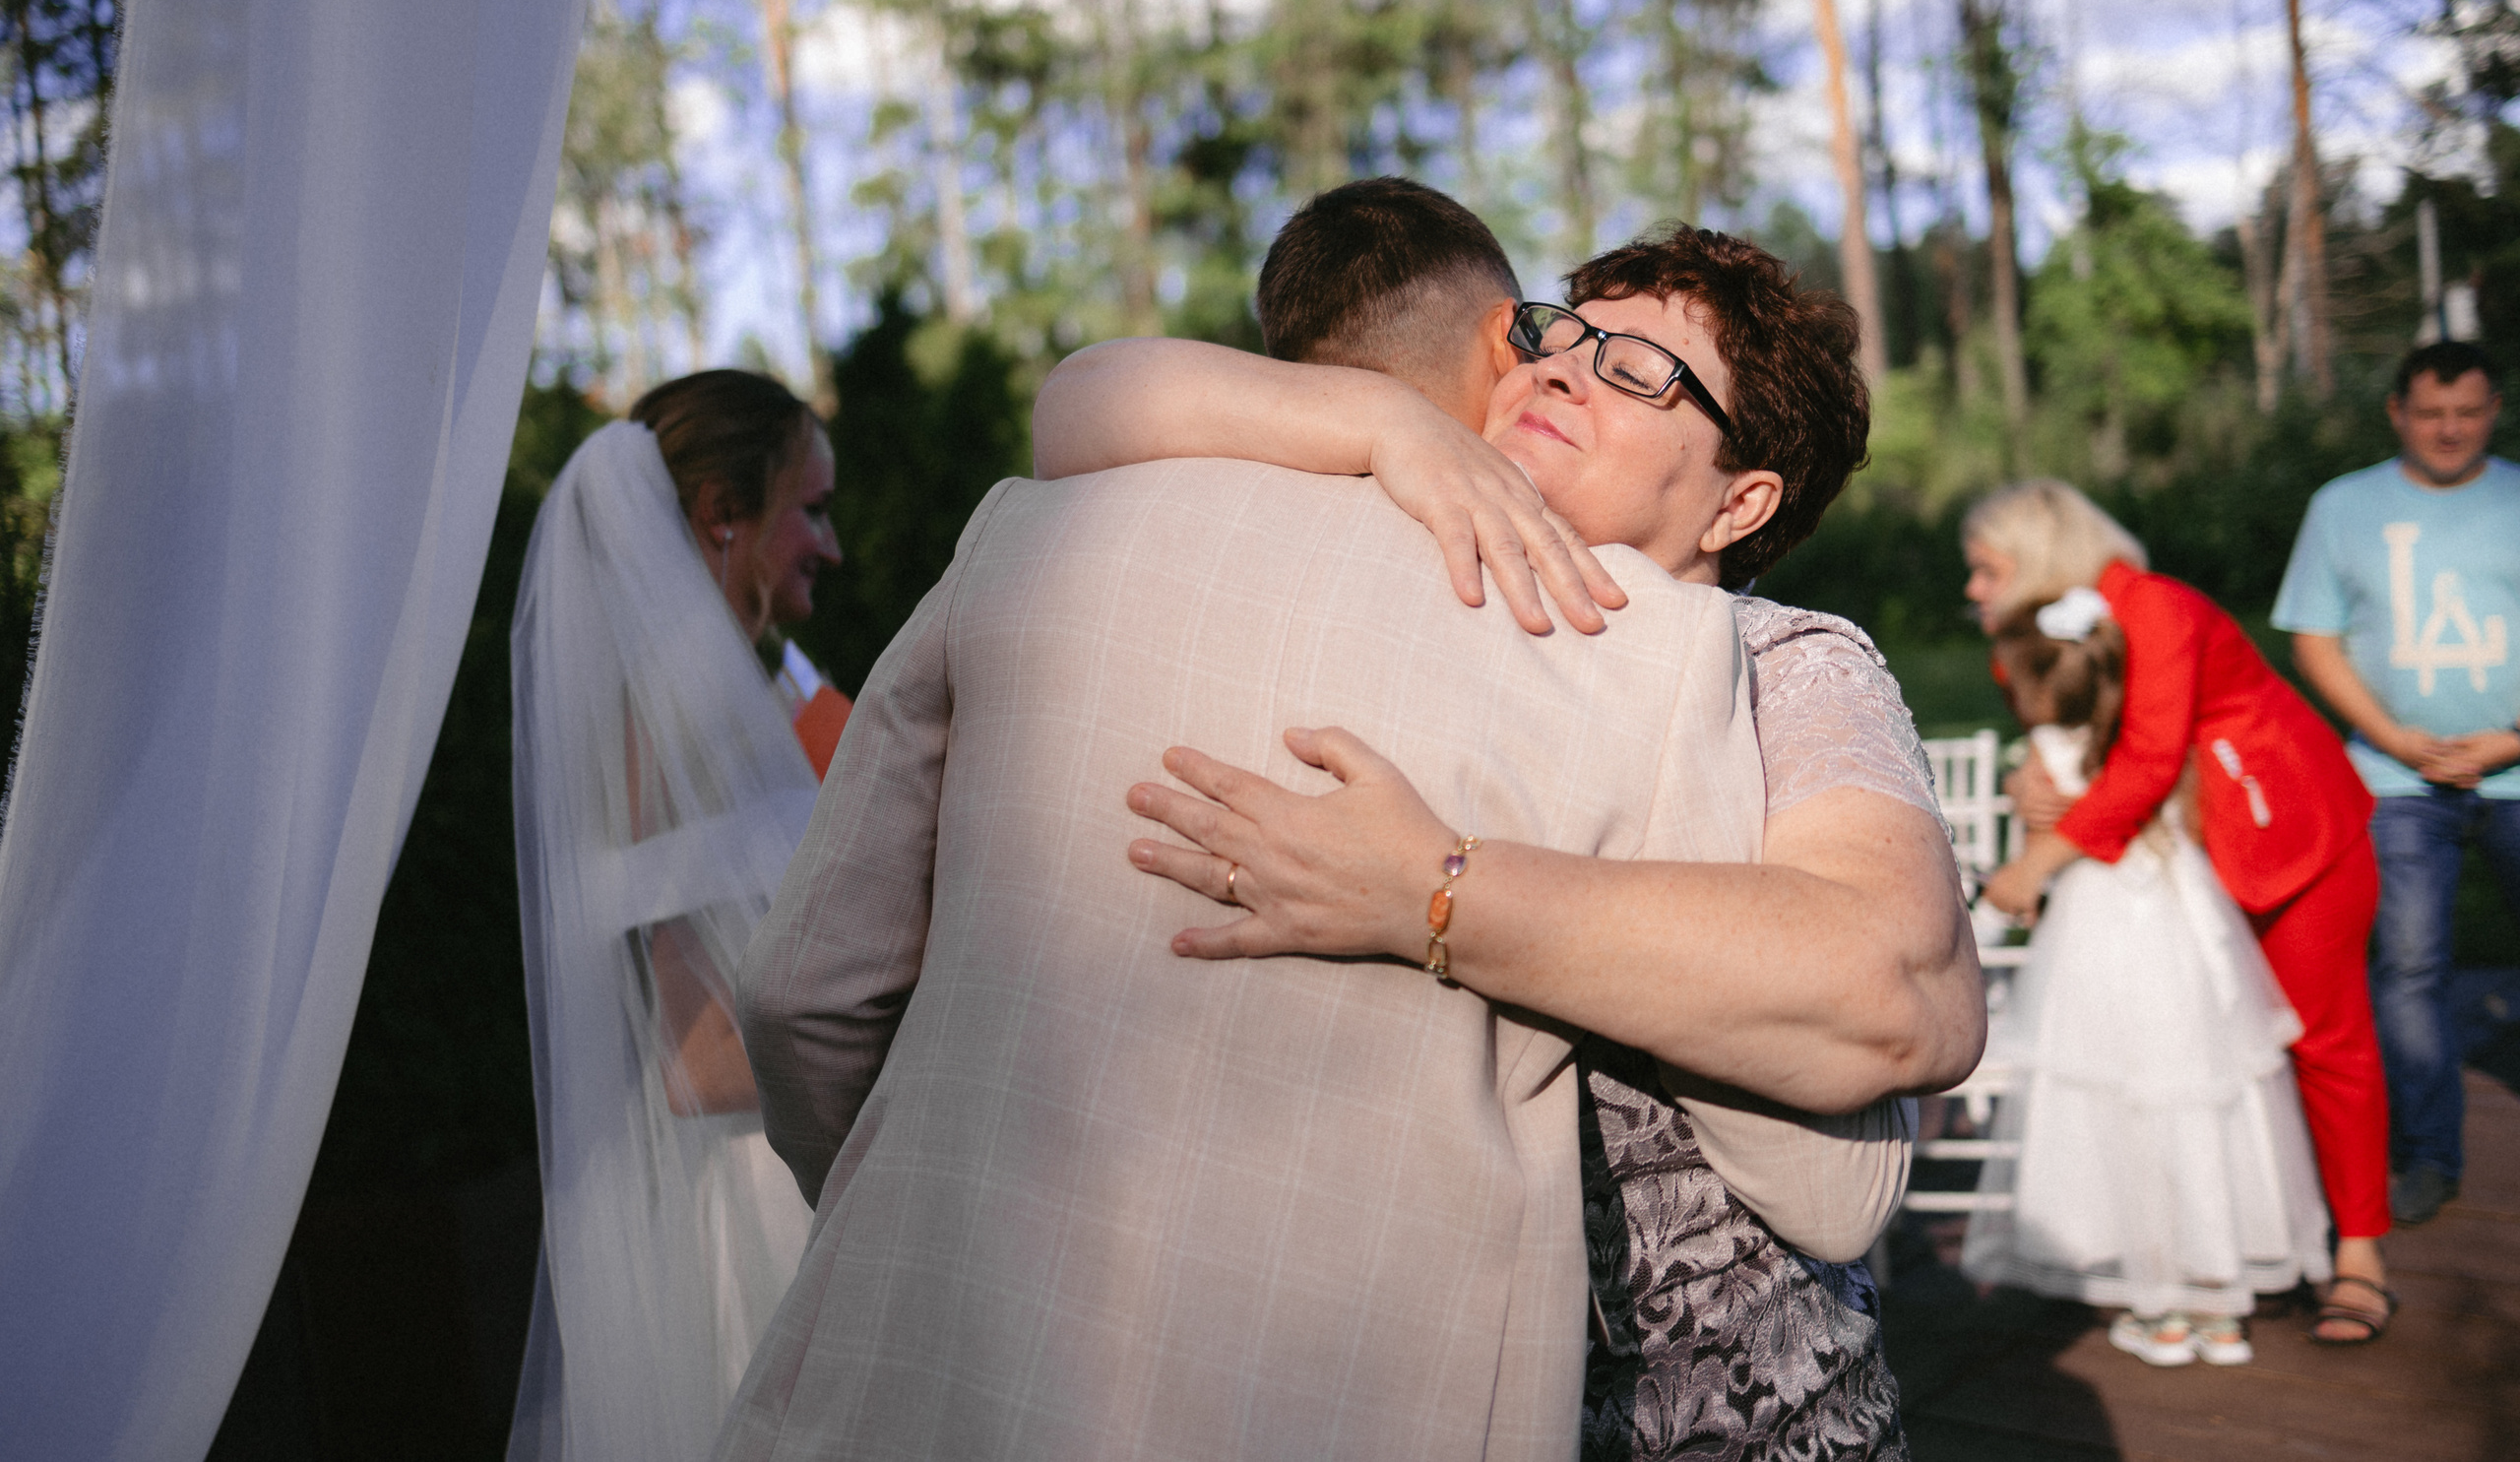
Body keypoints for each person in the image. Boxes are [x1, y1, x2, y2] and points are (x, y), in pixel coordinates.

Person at [721, 189, 1975, 1462]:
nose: (1571, 371)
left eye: (1642, 369)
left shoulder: (1771, 658)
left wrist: (1441, 892)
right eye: (1562, 334)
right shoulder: (1365, 557)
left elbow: (1888, 1009)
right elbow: (1087, 404)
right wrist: (1375, 415)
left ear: (1741, 502)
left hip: (1706, 1405)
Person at [1968, 479, 2395, 1345]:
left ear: (2036, 558)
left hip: (2285, 838)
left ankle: (2359, 1254)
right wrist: (2031, 776)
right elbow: (2072, 724)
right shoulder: (2061, 623)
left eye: (1985, 569)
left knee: (2323, 1039)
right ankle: (2215, 1244)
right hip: (2182, 863)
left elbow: (2152, 755)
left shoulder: (2158, 608)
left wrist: (2040, 859)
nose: (1972, 589)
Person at [508, 370, 844, 1462]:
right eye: (811, 508)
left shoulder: (698, 712)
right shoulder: (677, 733)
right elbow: (698, 1063)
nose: (829, 546)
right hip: (758, 1225)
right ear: (720, 513)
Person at [2273, 341, 2518, 1229]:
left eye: (2468, 410)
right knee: (2410, 968)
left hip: (2518, 765)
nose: (2450, 429)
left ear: (2494, 406)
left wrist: (2506, 740)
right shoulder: (2344, 507)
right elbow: (2316, 638)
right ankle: (2428, 1152)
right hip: (2394, 777)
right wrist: (2398, 740)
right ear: (2397, 412)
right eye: (2430, 412)